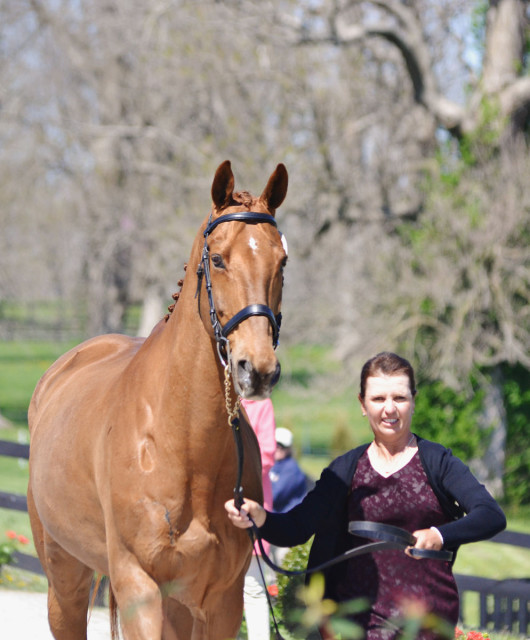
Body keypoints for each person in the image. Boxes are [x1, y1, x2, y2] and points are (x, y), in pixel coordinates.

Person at [226, 352, 507, 640]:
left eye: (399, 398)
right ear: (362, 404)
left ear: (413, 401)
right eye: (378, 399)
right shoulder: (345, 469)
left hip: (425, 622)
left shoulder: (439, 462)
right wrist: (260, 516)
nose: (390, 409)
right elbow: (297, 527)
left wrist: (440, 534)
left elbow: (490, 515)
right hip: (355, 624)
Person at [240, 397, 276, 640]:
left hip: (252, 506)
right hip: (215, 514)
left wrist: (229, 473)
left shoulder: (260, 404)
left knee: (253, 589)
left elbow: (266, 456)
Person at [270, 427, 309, 513]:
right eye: (276, 444)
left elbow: (274, 496)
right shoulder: (271, 464)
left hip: (288, 519)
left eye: (282, 446)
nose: (278, 448)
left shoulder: (291, 469)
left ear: (288, 449)